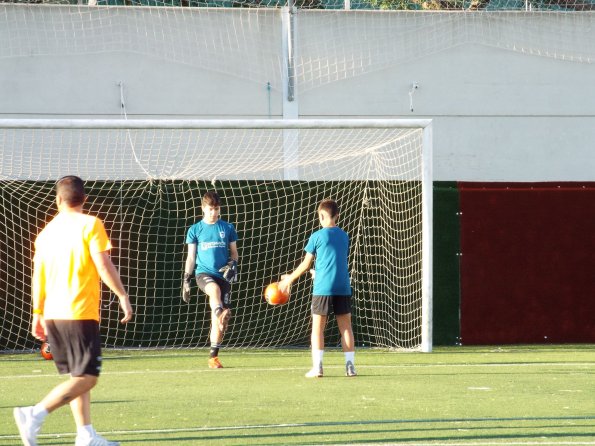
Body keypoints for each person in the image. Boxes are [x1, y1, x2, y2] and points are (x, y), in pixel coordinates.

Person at [13, 175, 133, 446]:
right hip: (78, 311)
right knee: (89, 378)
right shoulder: (91, 224)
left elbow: (37, 276)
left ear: (58, 200)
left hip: (54, 314)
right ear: (84, 199)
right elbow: (103, 264)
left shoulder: (45, 233)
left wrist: (37, 313)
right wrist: (122, 295)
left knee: (77, 375)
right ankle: (34, 413)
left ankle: (86, 435)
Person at [279, 199, 356, 378]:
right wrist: (318, 272)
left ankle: (318, 367)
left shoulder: (317, 236)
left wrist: (288, 279)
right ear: (337, 215)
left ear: (321, 216)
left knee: (317, 329)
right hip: (343, 287)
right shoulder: (345, 236)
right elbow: (334, 262)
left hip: (323, 288)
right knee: (346, 328)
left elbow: (306, 264)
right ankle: (350, 367)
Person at [182, 191, 239, 369]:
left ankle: (213, 357)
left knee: (220, 326)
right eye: (210, 209)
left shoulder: (227, 228)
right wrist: (186, 279)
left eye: (216, 209)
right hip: (203, 274)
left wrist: (233, 265)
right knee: (214, 291)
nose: (213, 213)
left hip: (223, 275)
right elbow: (191, 257)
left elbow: (234, 253)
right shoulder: (195, 230)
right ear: (203, 209)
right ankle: (219, 312)